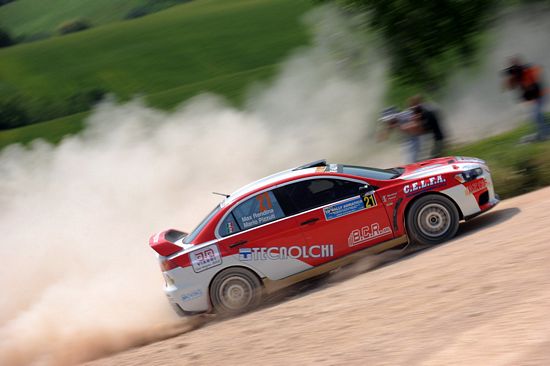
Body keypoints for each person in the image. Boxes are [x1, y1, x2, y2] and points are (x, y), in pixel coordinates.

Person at [502, 56, 548, 141]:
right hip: (535, 98)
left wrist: (521, 74)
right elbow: (507, 88)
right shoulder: (517, 75)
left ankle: (545, 133)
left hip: (541, 95)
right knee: (535, 116)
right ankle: (543, 132)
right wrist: (510, 79)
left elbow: (534, 79)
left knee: (536, 115)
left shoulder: (528, 71)